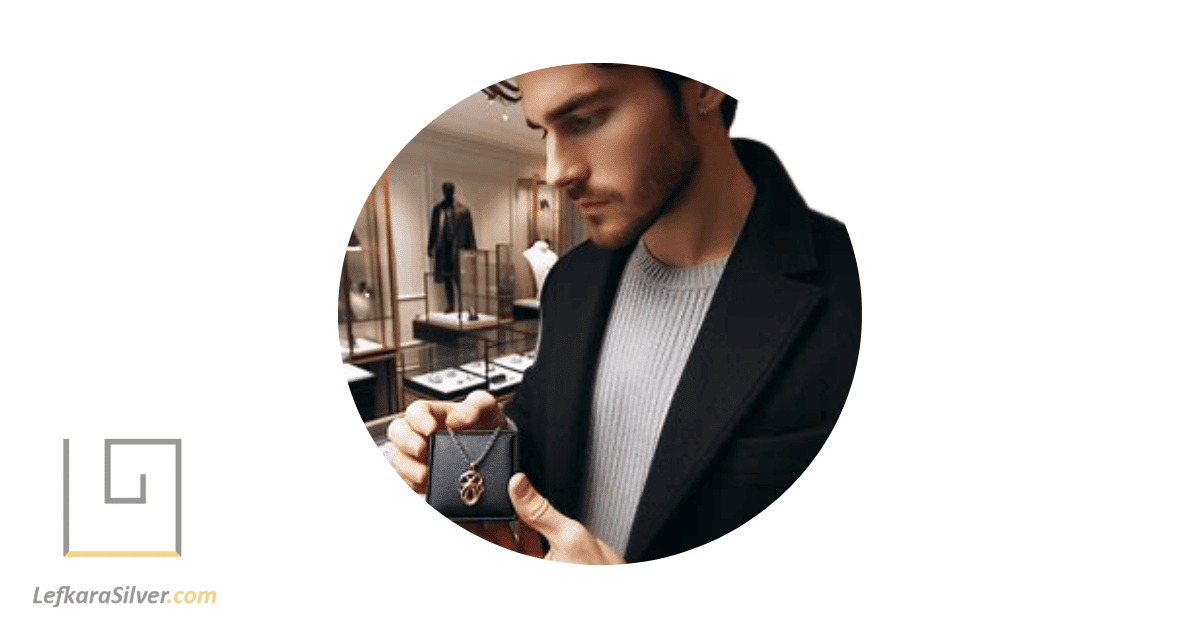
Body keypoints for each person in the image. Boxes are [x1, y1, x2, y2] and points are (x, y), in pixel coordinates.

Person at [389, 63, 861, 564]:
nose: (555, 171)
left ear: (703, 84)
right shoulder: (572, 282)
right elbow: (550, 427)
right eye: (544, 131)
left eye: (586, 118)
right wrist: (489, 443)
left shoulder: (858, 297)